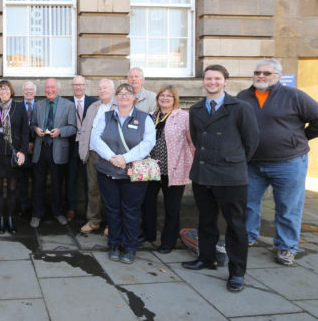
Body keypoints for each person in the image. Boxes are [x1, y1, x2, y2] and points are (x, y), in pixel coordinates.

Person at [183, 65, 259, 293]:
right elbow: (197, 139)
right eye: (208, 78)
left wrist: (231, 160)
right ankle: (206, 258)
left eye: (217, 78)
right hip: (203, 173)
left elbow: (251, 142)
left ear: (226, 81)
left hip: (231, 176)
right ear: (203, 81)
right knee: (206, 220)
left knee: (235, 226)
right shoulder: (196, 109)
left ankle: (237, 272)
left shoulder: (241, 108)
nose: (212, 82)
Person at [237, 59, 318, 266]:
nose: (261, 76)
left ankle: (286, 247)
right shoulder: (243, 97)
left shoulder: (294, 96)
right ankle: (247, 236)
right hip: (252, 163)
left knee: (288, 207)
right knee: (248, 204)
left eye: (266, 73)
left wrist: (300, 137)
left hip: (288, 163)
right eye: (257, 72)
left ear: (278, 76)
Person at [91, 83, 156, 264]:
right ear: (115, 97)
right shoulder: (106, 117)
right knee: (112, 210)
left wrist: (125, 158)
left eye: (127, 93)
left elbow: (148, 143)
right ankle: (114, 244)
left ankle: (129, 248)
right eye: (120, 93)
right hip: (108, 172)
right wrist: (112, 157)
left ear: (134, 97)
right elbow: (95, 138)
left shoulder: (144, 118)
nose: (123, 96)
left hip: (133, 175)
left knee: (131, 211)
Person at [140, 85, 194, 253]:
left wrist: (190, 164)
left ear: (174, 99)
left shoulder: (183, 117)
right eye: (162, 95)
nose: (164, 98)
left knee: (172, 207)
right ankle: (148, 234)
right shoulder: (150, 117)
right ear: (157, 99)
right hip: (151, 168)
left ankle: (168, 241)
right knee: (147, 204)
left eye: (169, 96)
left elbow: (192, 143)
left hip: (174, 169)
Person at [29, 78, 76, 228]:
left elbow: (73, 127)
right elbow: (32, 125)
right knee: (38, 184)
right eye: (47, 87)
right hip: (40, 149)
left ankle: (58, 213)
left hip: (58, 150)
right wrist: (36, 129)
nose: (50, 90)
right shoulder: (38, 105)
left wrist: (60, 131)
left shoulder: (68, 105)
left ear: (58, 89)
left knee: (57, 184)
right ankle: (36, 214)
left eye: (53, 87)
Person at [0, 80, 28, 234]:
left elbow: (25, 132)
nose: (4, 91)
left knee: (12, 189)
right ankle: (0, 219)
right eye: (1, 89)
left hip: (13, 154)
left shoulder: (19, 107)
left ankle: (10, 218)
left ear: (11, 91)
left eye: (6, 89)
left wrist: (22, 151)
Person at [79, 78, 116, 234]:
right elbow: (86, 130)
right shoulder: (93, 106)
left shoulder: (119, 106)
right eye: (99, 88)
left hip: (111, 156)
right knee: (93, 189)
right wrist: (83, 151)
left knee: (111, 190)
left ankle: (112, 224)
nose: (101, 91)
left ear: (113, 90)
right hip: (94, 154)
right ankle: (94, 220)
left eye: (105, 88)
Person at [66, 75, 98, 221]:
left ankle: (89, 211)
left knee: (89, 180)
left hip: (88, 147)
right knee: (71, 178)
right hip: (71, 146)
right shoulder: (66, 103)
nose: (78, 87)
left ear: (85, 86)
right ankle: (71, 208)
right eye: (76, 85)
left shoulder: (94, 103)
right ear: (72, 86)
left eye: (81, 85)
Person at [17, 81, 37, 217]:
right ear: (22, 92)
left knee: (37, 180)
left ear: (35, 92)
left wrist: (33, 142)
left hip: (38, 148)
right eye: (26, 90)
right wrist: (25, 145)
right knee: (22, 180)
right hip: (22, 150)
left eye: (31, 89)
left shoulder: (41, 106)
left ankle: (36, 209)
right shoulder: (17, 107)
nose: (28, 92)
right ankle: (23, 207)